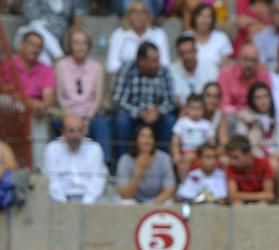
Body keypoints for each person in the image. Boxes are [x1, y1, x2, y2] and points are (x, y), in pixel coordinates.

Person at [54, 27, 111, 167]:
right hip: (67, 113)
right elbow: (60, 97)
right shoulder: (61, 65)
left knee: (101, 124)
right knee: (57, 123)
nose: (80, 47)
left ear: (89, 46)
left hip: (89, 113)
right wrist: (72, 118)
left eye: (83, 43)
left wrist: (86, 119)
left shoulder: (97, 67)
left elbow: (98, 97)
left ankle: (106, 164)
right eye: (76, 43)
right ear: (70, 46)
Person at [111, 42, 177, 162]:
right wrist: (140, 113)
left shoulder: (164, 71)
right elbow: (118, 100)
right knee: (121, 121)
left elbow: (170, 101)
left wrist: (158, 111)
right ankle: (123, 162)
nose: (157, 64)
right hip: (133, 115)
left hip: (157, 116)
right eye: (153, 61)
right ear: (141, 60)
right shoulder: (127, 70)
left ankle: (164, 162)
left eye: (157, 60)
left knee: (170, 121)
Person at [13, 31, 55, 170]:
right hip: (11, 110)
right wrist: (28, 103)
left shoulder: (45, 69)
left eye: (39, 46)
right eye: (31, 44)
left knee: (40, 114)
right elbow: (6, 91)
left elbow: (48, 95)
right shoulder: (8, 66)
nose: (35, 49)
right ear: (22, 45)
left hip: (34, 112)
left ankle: (38, 168)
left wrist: (44, 105)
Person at [43, 114, 108, 204]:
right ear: (63, 132)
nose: (76, 135)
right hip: (59, 199)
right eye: (71, 131)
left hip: (90, 200)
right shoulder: (52, 148)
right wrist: (64, 205)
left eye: (79, 131)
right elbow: (51, 180)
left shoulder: (94, 148)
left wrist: (86, 204)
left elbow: (97, 180)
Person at [234, 82, 279, 176]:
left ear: (270, 98)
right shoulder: (244, 117)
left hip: (272, 160)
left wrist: (265, 162)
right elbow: (240, 146)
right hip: (250, 159)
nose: (262, 101)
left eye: (265, 96)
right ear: (252, 100)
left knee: (273, 166)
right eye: (258, 98)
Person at [116, 124, 177, 204]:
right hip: (134, 200)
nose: (146, 140)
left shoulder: (164, 158)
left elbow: (169, 190)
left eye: (150, 136)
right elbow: (125, 194)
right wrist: (138, 171)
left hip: (157, 201)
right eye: (142, 136)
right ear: (135, 140)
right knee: (125, 202)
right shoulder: (125, 160)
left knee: (168, 202)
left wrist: (150, 205)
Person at [106, 1, 172, 76]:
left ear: (148, 15)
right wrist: (138, 70)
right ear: (128, 15)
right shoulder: (118, 34)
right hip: (127, 79)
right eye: (134, 12)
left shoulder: (159, 34)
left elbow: (165, 64)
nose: (139, 15)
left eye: (143, 12)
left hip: (153, 78)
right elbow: (111, 66)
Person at [219, 44, 274, 116]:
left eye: (253, 60)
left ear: (258, 62)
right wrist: (240, 114)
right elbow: (224, 105)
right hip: (232, 118)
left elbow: (268, 103)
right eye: (245, 59)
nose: (249, 64)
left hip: (258, 117)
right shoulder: (226, 75)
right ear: (238, 59)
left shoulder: (264, 76)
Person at [172, 94, 215, 180]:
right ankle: (184, 182)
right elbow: (175, 140)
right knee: (185, 159)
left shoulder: (206, 124)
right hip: (185, 151)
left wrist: (211, 153)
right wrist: (176, 154)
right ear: (187, 108)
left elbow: (211, 142)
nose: (196, 111)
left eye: (199, 108)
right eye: (192, 108)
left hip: (202, 152)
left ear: (204, 109)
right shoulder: (182, 122)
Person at [225, 134, 277, 204]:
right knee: (236, 203)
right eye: (231, 158)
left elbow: (269, 195)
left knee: (263, 203)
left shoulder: (263, 163)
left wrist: (239, 195)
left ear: (248, 154)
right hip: (242, 202)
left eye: (236, 157)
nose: (233, 162)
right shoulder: (231, 167)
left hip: (260, 203)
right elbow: (232, 196)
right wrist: (261, 195)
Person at [191, 4, 234, 80]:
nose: (204, 20)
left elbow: (224, 68)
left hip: (214, 82)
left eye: (208, 17)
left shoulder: (221, 38)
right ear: (194, 18)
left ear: (213, 20)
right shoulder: (186, 37)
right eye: (200, 16)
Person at [172, 35, 213, 108]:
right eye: (183, 53)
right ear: (178, 55)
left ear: (196, 51)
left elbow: (212, 95)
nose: (187, 56)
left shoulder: (210, 67)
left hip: (206, 109)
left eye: (190, 52)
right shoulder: (171, 70)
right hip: (181, 110)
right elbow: (176, 98)